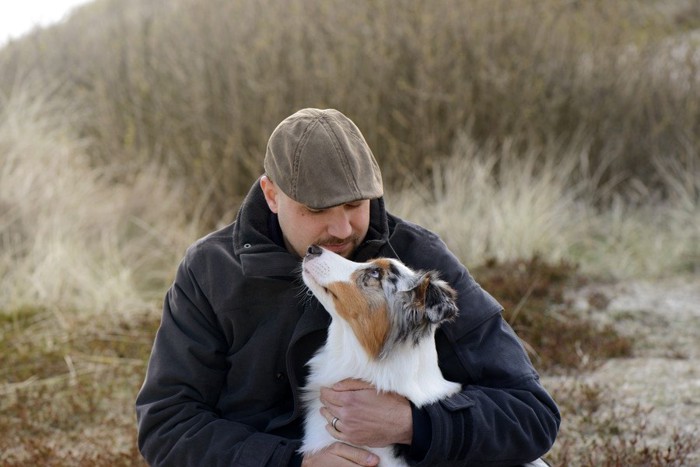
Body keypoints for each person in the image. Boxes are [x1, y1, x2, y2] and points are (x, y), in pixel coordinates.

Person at [135, 108, 560, 466]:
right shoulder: (210, 270)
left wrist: (414, 424)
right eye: (317, 209)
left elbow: (531, 412)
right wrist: (292, 462)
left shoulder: (416, 263)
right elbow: (166, 423)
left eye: (355, 205)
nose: (341, 228)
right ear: (271, 194)